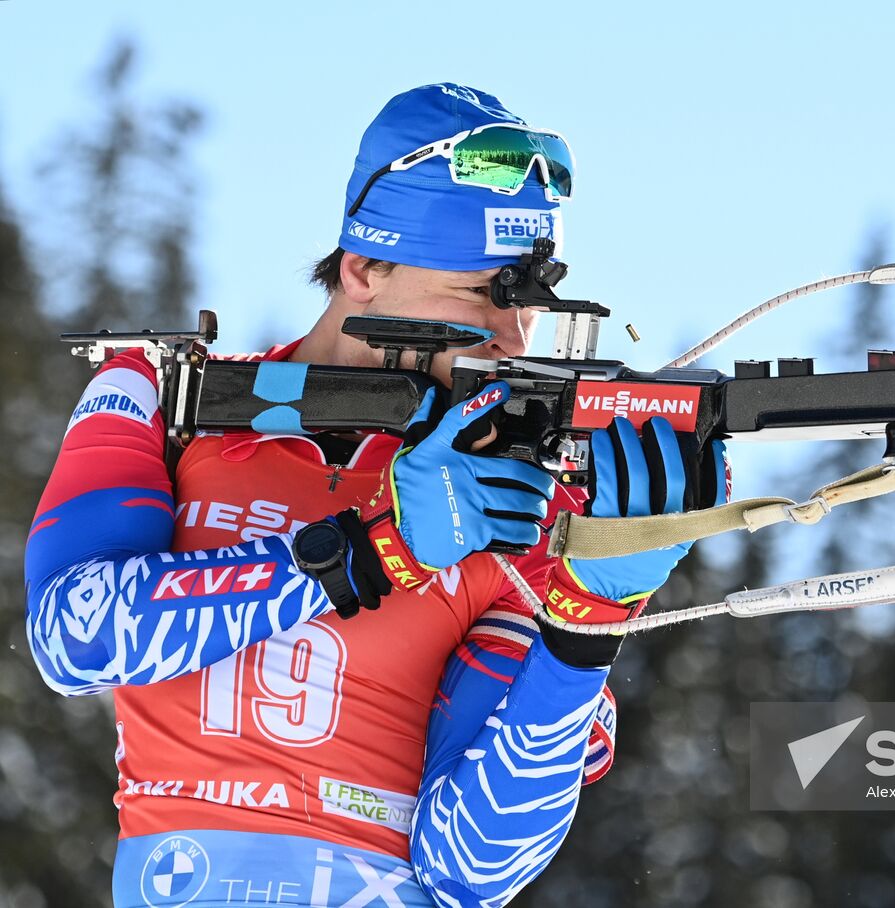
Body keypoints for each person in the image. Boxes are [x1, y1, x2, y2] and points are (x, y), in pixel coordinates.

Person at [24, 83, 726, 908]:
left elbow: (471, 868)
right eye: (480, 295)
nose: (510, 339)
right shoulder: (167, 393)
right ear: (363, 268)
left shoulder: (525, 505)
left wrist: (588, 629)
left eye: (527, 305)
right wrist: (376, 549)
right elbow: (75, 638)